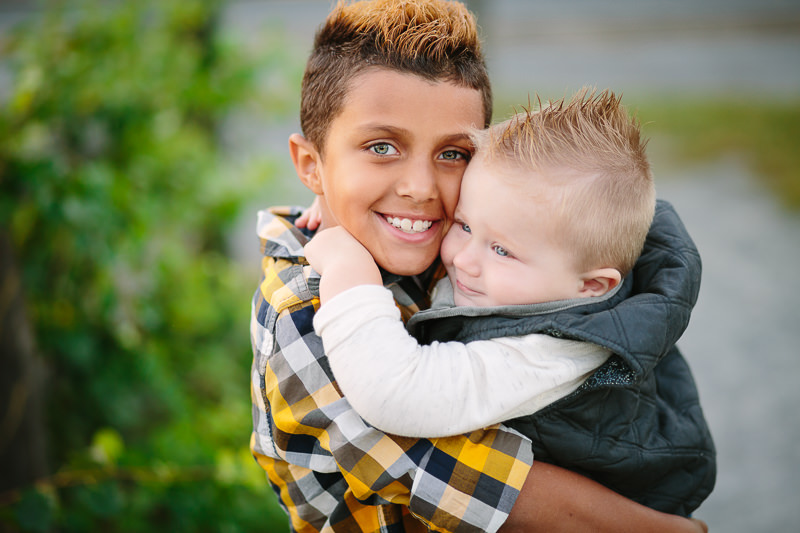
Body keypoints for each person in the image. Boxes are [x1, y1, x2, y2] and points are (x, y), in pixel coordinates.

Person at [250, 0, 711, 531]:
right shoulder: (303, 315)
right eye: (381, 147)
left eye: (452, 154)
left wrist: (351, 199)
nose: (420, 188)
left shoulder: (472, 250)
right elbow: (474, 479)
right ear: (312, 165)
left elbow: (569, 213)